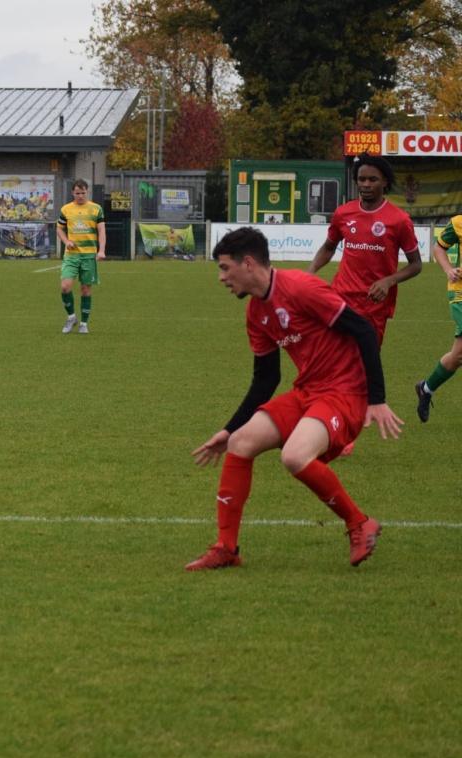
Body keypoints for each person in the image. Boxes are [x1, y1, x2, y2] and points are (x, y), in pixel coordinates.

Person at [187, 227, 402, 572]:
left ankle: (359, 523)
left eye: (225, 268)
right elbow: (266, 379)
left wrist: (376, 399)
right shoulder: (256, 313)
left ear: (248, 263)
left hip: (345, 392)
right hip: (309, 391)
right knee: (241, 442)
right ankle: (226, 548)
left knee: (294, 456)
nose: (221, 277)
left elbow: (362, 329)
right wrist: (228, 430)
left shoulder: (301, 287)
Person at [307, 154, 421, 345]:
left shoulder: (399, 220)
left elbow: (416, 264)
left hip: (374, 303)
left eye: (372, 179)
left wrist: (388, 281)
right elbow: (328, 247)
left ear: (384, 182)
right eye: (362, 179)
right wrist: (310, 272)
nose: (366, 184)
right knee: (334, 355)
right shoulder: (343, 213)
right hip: (340, 297)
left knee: (365, 359)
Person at [413, 214, 462, 422]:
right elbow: (439, 247)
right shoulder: (458, 222)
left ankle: (426, 388)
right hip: (460, 293)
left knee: (458, 356)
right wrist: (449, 270)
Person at [56, 179, 106, 334]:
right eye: (77, 193)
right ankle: (71, 317)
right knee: (65, 287)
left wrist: (101, 250)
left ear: (87, 192)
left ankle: (84, 323)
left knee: (85, 289)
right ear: (73, 192)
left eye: (83, 193)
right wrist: (66, 241)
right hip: (71, 255)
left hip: (89, 255)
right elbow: (59, 229)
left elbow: (101, 230)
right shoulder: (66, 209)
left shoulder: (96, 209)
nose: (80, 196)